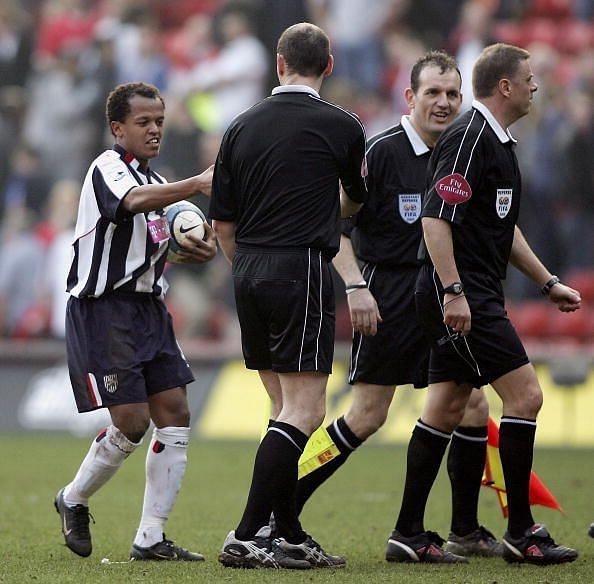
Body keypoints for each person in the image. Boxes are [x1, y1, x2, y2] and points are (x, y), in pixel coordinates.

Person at [294, 50, 502, 561]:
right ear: (409, 97)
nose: (445, 102)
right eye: (433, 92)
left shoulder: (463, 150)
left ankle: (465, 530)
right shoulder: (382, 153)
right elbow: (333, 227)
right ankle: (280, 500)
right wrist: (355, 286)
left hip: (443, 295)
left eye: (453, 93)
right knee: (366, 415)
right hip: (389, 296)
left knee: (472, 406)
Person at [388, 43, 581, 565]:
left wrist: (546, 283)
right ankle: (521, 530)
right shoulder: (471, 137)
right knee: (526, 396)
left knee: (447, 408)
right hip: (464, 297)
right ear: (505, 87)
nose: (535, 86)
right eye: (529, 78)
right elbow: (435, 218)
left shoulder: (496, 142)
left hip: (471, 294)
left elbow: (503, 228)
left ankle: (408, 532)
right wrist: (453, 291)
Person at [210, 22, 367, 569]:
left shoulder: (238, 126)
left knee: (282, 408)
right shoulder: (344, 125)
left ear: (278, 63)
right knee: (307, 409)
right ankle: (247, 533)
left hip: (246, 266)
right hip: (299, 266)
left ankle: (289, 533)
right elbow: (355, 200)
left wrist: (248, 269)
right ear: (329, 66)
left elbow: (222, 224)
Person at [54, 82, 216, 562]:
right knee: (131, 421)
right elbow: (131, 204)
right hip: (104, 312)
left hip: (148, 310)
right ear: (117, 128)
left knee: (175, 414)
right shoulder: (108, 169)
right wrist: (197, 183)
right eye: (143, 122)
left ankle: (151, 537)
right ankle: (73, 498)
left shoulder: (155, 182)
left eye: (160, 122)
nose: (154, 130)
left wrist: (193, 252)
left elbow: (149, 251)